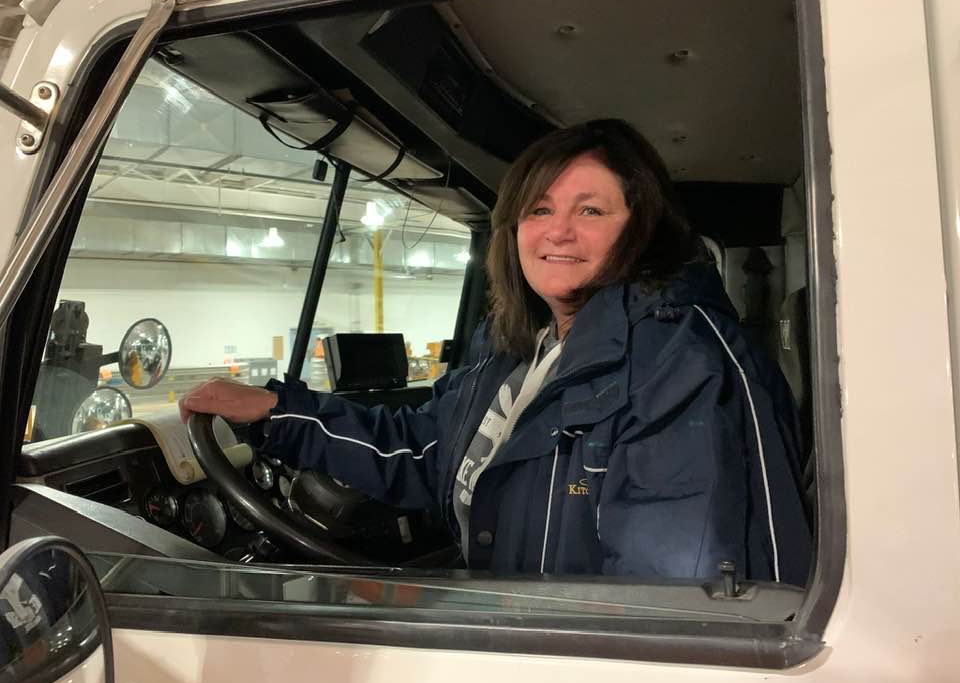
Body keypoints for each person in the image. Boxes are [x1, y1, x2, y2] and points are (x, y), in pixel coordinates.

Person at [180, 119, 812, 584]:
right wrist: (278, 413)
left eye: (589, 210)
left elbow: (667, 606)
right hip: (507, 623)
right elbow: (430, 448)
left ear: (640, 228)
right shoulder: (518, 347)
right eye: (539, 210)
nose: (558, 230)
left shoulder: (680, 361)